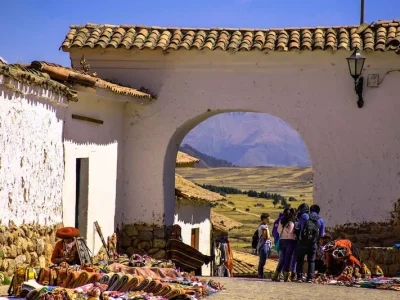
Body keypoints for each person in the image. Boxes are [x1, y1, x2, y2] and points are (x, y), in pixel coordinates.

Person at [295, 203, 325, 283]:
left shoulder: (304, 216)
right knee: (311, 261)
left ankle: (300, 278)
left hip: (302, 242)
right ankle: (310, 278)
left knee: (300, 260)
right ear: (318, 212)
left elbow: (298, 227)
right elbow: (322, 234)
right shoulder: (320, 220)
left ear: (310, 210)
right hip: (313, 243)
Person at [272, 208, 297, 282]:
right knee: (288, 259)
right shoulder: (291, 223)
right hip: (290, 242)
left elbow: (278, 230)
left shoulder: (281, 222)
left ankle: (275, 275)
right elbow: (291, 232)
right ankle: (286, 276)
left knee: (282, 259)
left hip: (282, 241)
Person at [257, 213, 271, 279]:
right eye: (267, 219)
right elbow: (266, 237)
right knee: (262, 260)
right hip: (263, 244)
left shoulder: (264, 226)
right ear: (264, 219)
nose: (268, 220)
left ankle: (260, 274)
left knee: (263, 260)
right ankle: (260, 274)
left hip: (265, 244)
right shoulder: (263, 227)